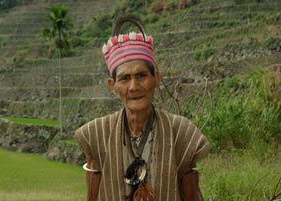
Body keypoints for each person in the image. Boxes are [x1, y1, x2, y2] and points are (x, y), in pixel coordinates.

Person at [75, 16, 210, 201]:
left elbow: (192, 195)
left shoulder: (182, 133)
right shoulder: (96, 135)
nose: (133, 87)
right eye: (124, 78)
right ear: (112, 86)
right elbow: (92, 195)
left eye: (141, 75)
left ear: (156, 78)